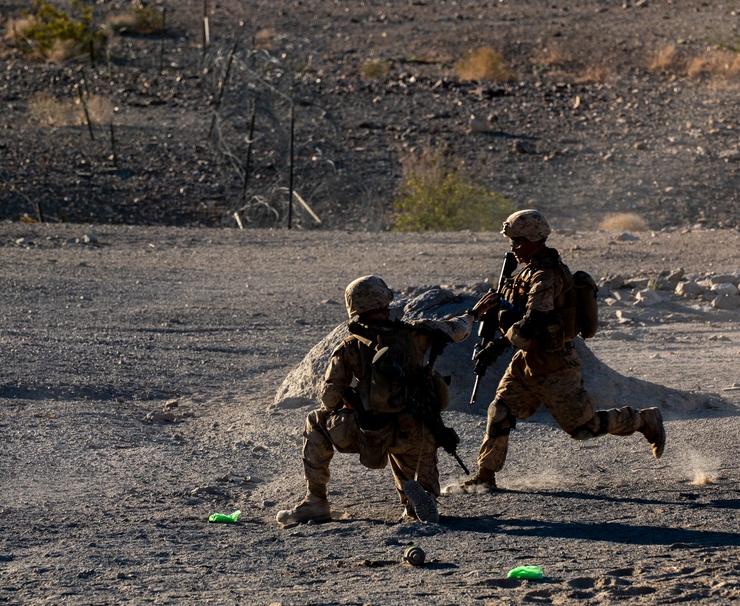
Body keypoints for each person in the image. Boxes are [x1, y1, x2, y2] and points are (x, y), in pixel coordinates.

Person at [459, 209, 666, 492]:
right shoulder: (526, 271)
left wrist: (498, 344)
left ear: (535, 239)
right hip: (527, 360)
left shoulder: (546, 276)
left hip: (555, 363)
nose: (513, 247)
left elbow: (535, 323)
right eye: (511, 240)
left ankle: (643, 419)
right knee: (500, 411)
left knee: (584, 428)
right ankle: (485, 475)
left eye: (518, 240)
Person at [276, 275, 497, 526]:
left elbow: (329, 399)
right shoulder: (417, 332)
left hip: (372, 432)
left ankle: (316, 501)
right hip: (417, 431)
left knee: (316, 420)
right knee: (420, 438)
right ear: (385, 302)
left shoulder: (350, 345)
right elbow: (458, 329)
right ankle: (420, 501)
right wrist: (474, 313)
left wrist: (355, 399)